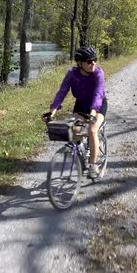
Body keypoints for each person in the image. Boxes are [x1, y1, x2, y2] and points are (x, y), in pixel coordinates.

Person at [43, 46, 108, 179]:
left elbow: (97, 94)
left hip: (98, 105)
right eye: (89, 61)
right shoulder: (72, 73)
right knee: (74, 129)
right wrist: (52, 112)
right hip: (81, 103)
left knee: (92, 130)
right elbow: (62, 92)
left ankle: (93, 165)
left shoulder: (98, 73)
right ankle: (82, 153)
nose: (93, 63)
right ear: (80, 63)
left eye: (95, 60)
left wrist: (92, 113)